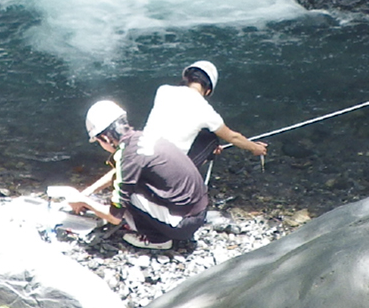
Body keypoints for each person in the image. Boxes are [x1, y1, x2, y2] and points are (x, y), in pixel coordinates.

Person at [73, 100, 209, 251]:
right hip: (198, 213)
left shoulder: (128, 156)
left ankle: (157, 239)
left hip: (183, 225)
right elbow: (121, 171)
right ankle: (160, 224)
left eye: (98, 141)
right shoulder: (142, 138)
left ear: (105, 138)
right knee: (125, 182)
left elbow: (114, 217)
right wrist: (88, 191)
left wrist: (83, 201)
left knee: (125, 193)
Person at [139, 60, 267, 171]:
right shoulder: (207, 112)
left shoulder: (163, 90)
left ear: (187, 79)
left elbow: (179, 120)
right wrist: (255, 148)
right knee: (210, 138)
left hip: (141, 156)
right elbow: (233, 137)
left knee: (200, 132)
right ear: (208, 90)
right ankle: (186, 177)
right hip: (166, 167)